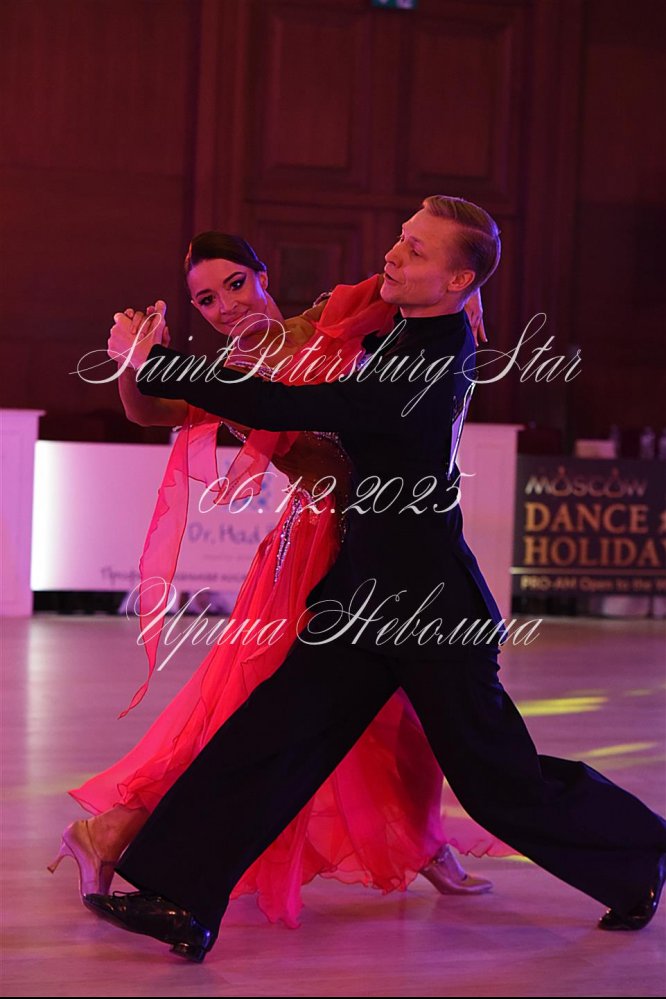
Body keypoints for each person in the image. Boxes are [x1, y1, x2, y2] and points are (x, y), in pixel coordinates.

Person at [87, 196, 666, 963]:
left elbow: (284, 402)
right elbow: (328, 335)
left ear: (457, 281)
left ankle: (640, 853)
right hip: (365, 593)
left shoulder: (427, 362)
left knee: (499, 784)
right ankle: (179, 895)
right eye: (401, 238)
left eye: (416, 250)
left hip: (429, 609)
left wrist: (157, 360)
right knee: (272, 733)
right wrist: (150, 363)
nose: (393, 254)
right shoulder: (406, 329)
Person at [49, 232, 512, 929]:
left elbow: (419, 286)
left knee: (404, 718)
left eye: (236, 283)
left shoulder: (330, 318)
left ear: (263, 276)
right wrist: (132, 359)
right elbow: (146, 409)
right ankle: (111, 831)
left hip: (383, 539)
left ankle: (423, 843)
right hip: (308, 550)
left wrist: (469, 297)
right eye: (207, 300)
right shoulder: (226, 372)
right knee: (250, 714)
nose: (227, 306)